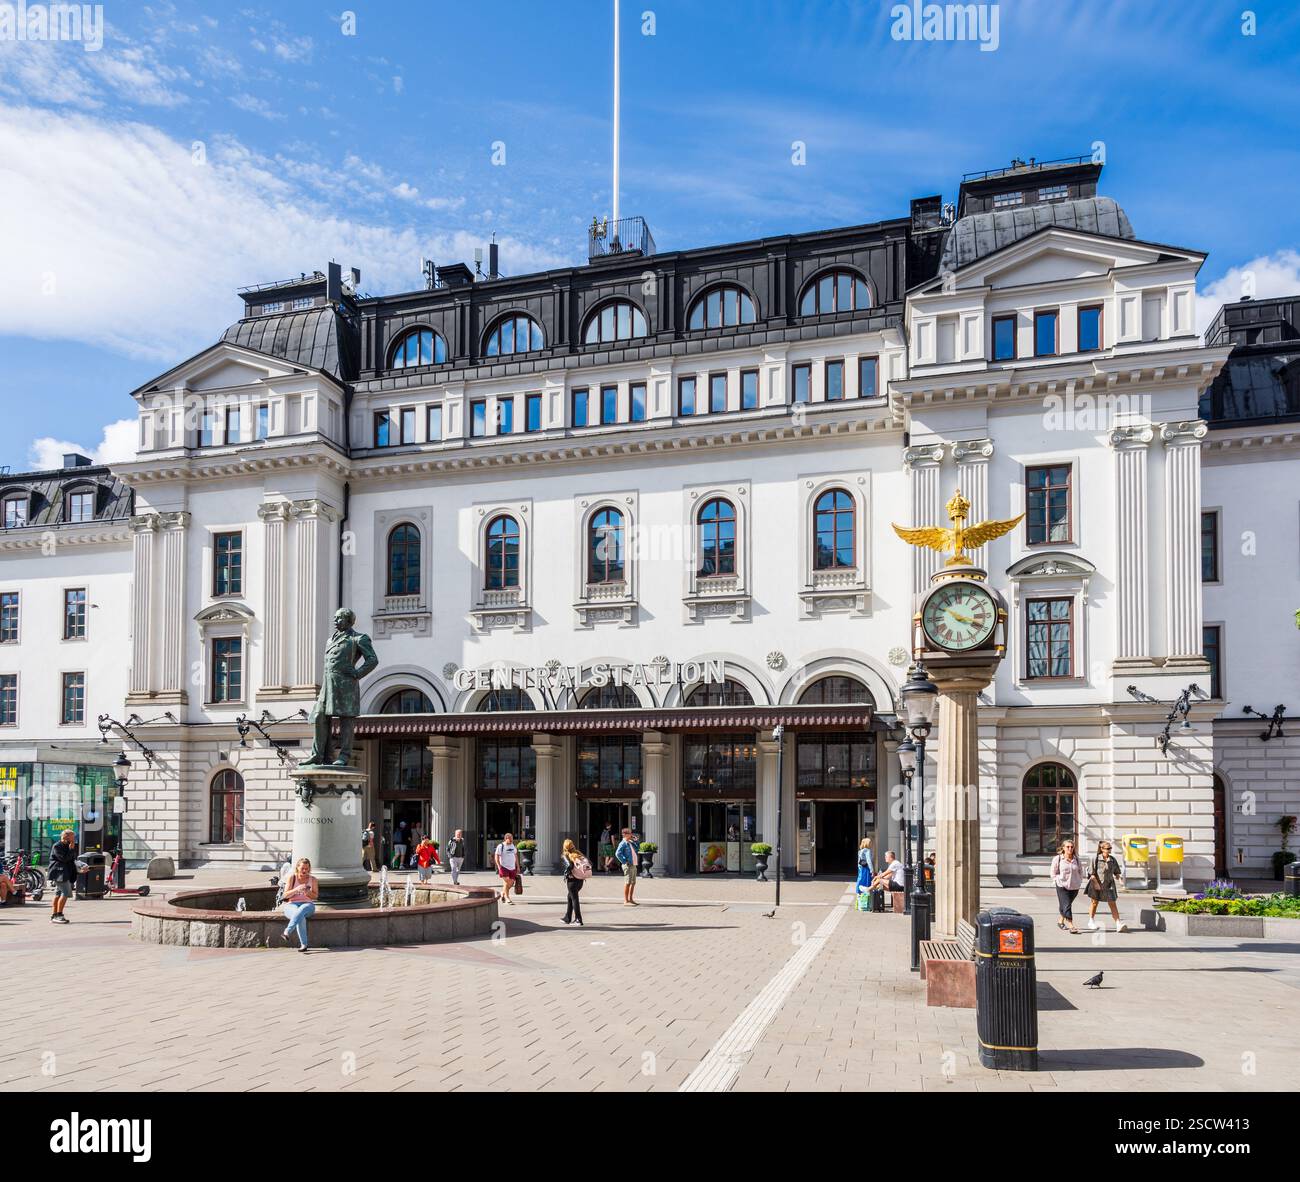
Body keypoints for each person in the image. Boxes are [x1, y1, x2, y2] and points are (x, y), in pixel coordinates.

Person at [1084, 840, 1128, 932]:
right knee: (1094, 903)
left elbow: (1116, 872)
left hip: (1109, 885)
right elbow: (1091, 874)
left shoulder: (1112, 860)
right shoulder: (1095, 858)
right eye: (1107, 848)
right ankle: (1091, 921)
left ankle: (1118, 923)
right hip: (1096, 883)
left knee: (1112, 903)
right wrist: (1096, 884)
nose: (1109, 850)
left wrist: (1120, 880)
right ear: (1102, 849)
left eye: (1110, 848)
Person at [280, 857, 319, 952]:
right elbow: (285, 895)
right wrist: (297, 889)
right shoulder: (292, 878)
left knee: (302, 910)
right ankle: (304, 945)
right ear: (297, 868)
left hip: (307, 905)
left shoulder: (313, 880)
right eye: (302, 868)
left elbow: (315, 896)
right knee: (300, 916)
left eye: (307, 868)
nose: (305, 871)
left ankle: (287, 931)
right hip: (291, 904)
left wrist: (308, 892)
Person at [48, 829, 80, 924]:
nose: (74, 838)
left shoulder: (68, 845)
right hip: (59, 873)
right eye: (72, 836)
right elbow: (64, 859)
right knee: (65, 892)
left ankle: (54, 915)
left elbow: (72, 859)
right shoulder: (57, 846)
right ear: (66, 836)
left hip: (65, 873)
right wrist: (71, 849)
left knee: (58, 893)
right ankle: (59, 914)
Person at [1051, 838, 1083, 933]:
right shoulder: (1058, 858)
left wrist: (1079, 881)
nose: (1070, 848)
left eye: (1072, 847)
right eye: (1068, 847)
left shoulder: (1076, 859)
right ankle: (1071, 925)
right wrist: (1057, 880)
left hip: (1074, 886)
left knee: (1065, 905)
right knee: (1067, 905)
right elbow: (1053, 872)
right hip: (1062, 885)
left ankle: (1060, 921)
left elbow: (1080, 871)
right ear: (1063, 848)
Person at [560, 838, 590, 926]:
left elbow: (569, 865)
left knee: (574, 899)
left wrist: (567, 873)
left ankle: (578, 919)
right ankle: (567, 917)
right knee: (570, 897)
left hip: (572, 881)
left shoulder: (566, 855)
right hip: (580, 880)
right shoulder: (578, 854)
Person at [494, 832, 521, 904]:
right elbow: (496, 856)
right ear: (506, 838)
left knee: (511, 883)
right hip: (504, 867)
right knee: (507, 881)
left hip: (512, 868)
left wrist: (518, 866)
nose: (512, 840)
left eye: (512, 839)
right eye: (510, 839)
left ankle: (502, 893)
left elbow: (516, 856)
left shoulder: (513, 846)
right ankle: (507, 898)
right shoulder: (501, 846)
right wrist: (499, 866)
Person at [615, 827, 639, 906]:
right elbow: (618, 853)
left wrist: (636, 841)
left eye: (630, 833)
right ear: (624, 834)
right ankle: (626, 900)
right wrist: (625, 861)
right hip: (628, 865)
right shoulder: (623, 843)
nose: (631, 834)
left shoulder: (631, 842)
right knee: (628, 882)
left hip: (634, 864)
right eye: (629, 833)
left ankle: (631, 899)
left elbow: (637, 848)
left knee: (633, 883)